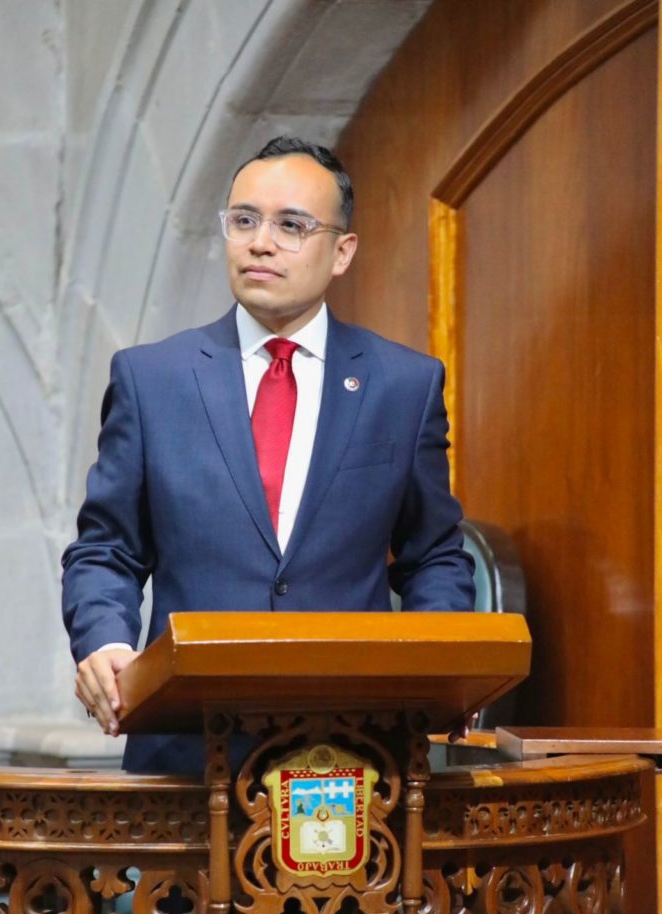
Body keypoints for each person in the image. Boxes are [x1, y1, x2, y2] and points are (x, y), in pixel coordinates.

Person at [62, 137, 475, 772]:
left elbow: (435, 556)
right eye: (244, 220)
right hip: (187, 756)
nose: (261, 242)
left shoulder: (403, 385)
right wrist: (106, 643)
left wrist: (437, 669)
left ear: (342, 252)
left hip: (357, 757)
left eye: (291, 225)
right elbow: (106, 549)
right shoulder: (154, 379)